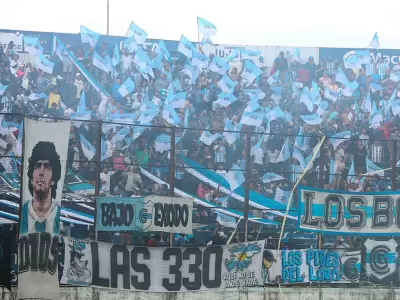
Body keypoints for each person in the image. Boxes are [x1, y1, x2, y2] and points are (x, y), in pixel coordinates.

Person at [20, 141, 62, 234]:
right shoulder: (21, 212)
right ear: (31, 178)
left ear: (53, 179)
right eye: (37, 166)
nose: (41, 172)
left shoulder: (60, 214)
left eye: (47, 167)